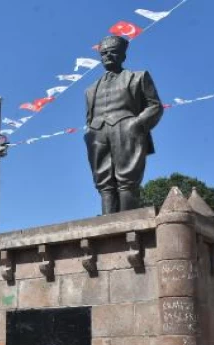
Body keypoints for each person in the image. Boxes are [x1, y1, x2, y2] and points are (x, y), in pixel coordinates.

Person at [84, 35, 163, 215]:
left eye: (113, 52)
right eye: (104, 54)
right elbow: (89, 117)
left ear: (123, 56)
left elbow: (155, 106)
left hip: (127, 128)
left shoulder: (138, 77)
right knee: (103, 181)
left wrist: (136, 124)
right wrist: (89, 133)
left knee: (127, 179)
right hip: (97, 133)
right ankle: (107, 222)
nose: (108, 56)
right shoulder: (90, 89)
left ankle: (127, 221)